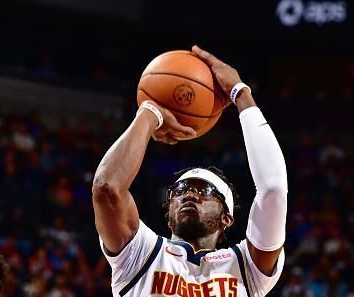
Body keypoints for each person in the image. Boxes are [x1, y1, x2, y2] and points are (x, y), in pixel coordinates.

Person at [92, 45, 288, 296]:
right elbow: (107, 188)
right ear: (168, 211)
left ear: (226, 218)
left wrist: (240, 93)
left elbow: (273, 189)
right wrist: (150, 112)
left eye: (206, 190)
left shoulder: (247, 267)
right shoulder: (140, 254)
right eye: (180, 190)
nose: (190, 195)